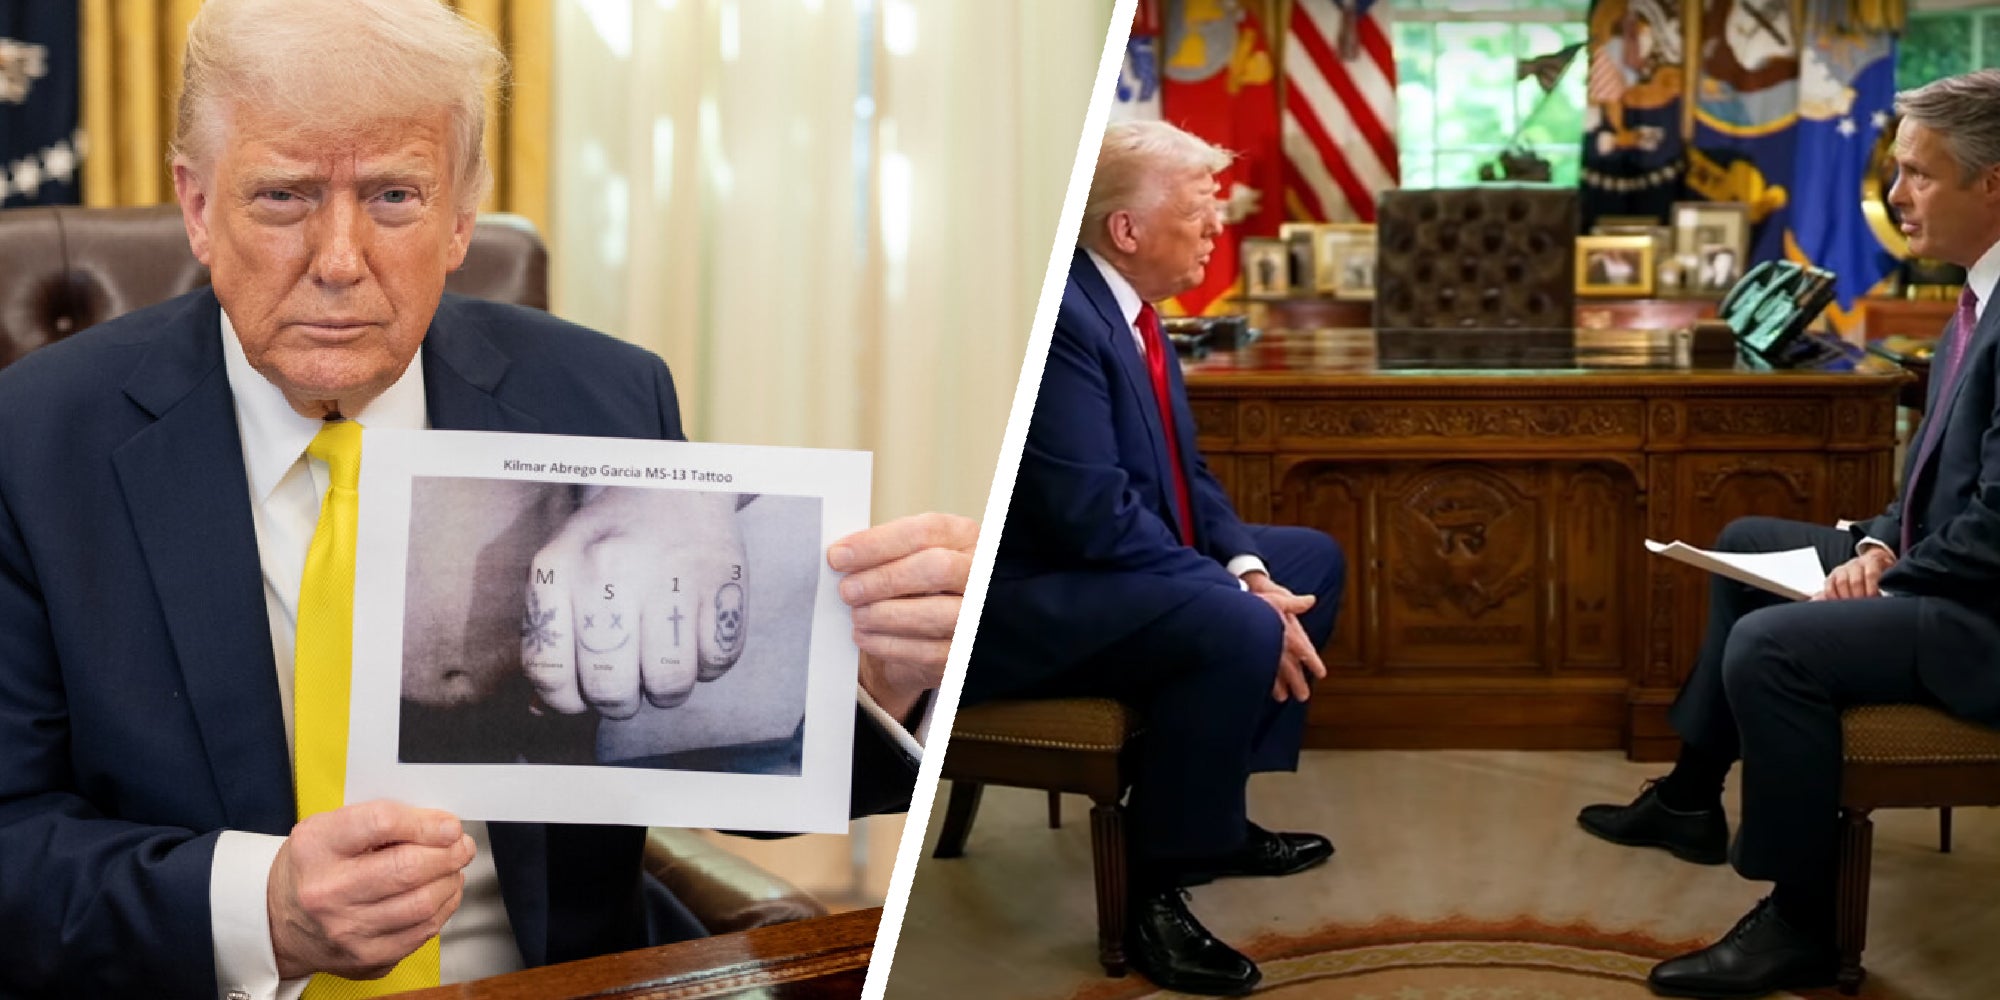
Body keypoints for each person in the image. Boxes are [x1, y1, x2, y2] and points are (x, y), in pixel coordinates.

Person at [0, 1, 973, 996]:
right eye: (284, 195)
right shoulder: (35, 442)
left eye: (392, 196)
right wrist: (265, 908)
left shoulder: (601, 398)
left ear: (462, 214)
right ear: (198, 207)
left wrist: (876, 674)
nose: (339, 259)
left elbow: (726, 764)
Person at [1574, 69, 2000, 998]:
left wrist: (1892, 582)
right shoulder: (1979, 294)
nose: (1894, 196)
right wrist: (1884, 544)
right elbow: (1935, 480)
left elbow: (1999, 527)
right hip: (1949, 574)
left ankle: (1800, 919)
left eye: (1917, 174)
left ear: (1992, 182)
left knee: (1775, 649)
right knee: (1750, 541)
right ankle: (1691, 799)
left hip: (1985, 617)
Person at [967, 120, 1346, 996]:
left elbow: (1192, 477)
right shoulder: (1061, 319)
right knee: (1230, 623)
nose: (1218, 229)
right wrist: (1236, 597)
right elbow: (1090, 517)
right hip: (1029, 592)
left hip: (1113, 564)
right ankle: (1157, 888)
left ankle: (1216, 812)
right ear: (1126, 230)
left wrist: (1250, 569)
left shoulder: (1136, 308)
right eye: (1201, 210)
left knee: (1309, 562)